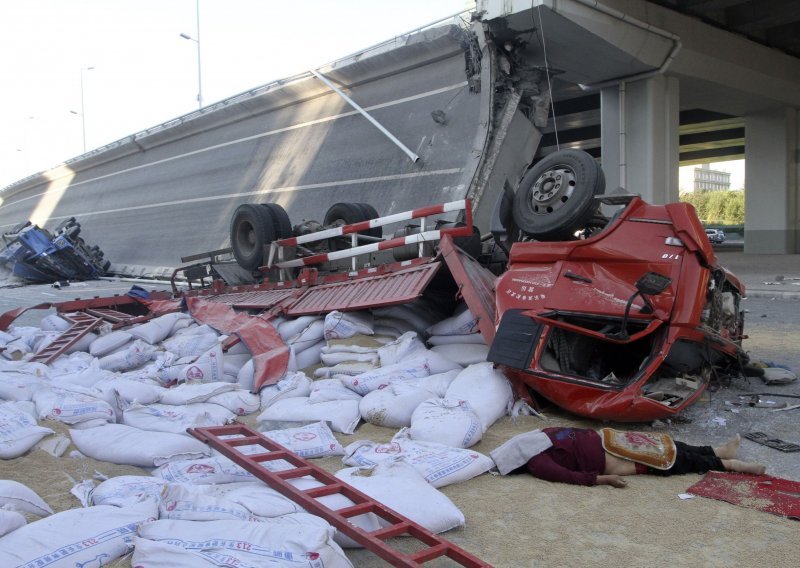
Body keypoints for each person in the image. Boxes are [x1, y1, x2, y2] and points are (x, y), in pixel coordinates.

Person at [522, 427, 766, 488]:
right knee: (671, 461)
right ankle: (731, 465)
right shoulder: (536, 461)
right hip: (610, 460)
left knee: (665, 443)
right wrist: (604, 480)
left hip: (608, 439)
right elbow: (568, 476)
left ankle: (718, 451)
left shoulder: (540, 436)